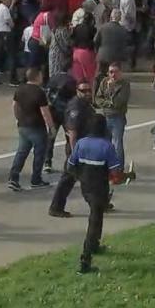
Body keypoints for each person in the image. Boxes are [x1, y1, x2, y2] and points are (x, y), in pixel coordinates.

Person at [65, 114, 122, 274]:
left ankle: (95, 245)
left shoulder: (81, 143)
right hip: (100, 188)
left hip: (86, 187)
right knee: (94, 221)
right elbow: (115, 172)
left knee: (97, 216)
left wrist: (81, 177)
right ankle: (85, 259)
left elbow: (70, 166)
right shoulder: (106, 146)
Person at [48, 80, 96, 217]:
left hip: (86, 148)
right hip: (77, 150)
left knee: (90, 178)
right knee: (68, 179)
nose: (87, 93)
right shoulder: (76, 107)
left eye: (89, 90)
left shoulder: (85, 104)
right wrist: (75, 154)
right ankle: (55, 207)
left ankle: (100, 203)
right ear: (77, 91)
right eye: (83, 91)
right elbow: (72, 132)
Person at [6, 68, 53, 192]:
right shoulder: (39, 92)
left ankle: (13, 178)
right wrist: (51, 126)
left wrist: (18, 118)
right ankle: (36, 179)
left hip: (23, 126)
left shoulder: (20, 89)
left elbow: (14, 106)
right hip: (37, 126)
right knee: (39, 154)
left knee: (21, 152)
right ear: (37, 77)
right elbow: (45, 112)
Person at [94, 63, 131, 168]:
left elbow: (120, 102)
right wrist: (108, 102)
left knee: (117, 144)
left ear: (120, 73)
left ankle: (119, 167)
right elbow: (97, 98)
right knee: (105, 143)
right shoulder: (104, 82)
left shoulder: (124, 84)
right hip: (105, 116)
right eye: (111, 72)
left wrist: (112, 90)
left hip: (118, 117)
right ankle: (107, 166)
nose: (113, 75)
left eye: (115, 72)